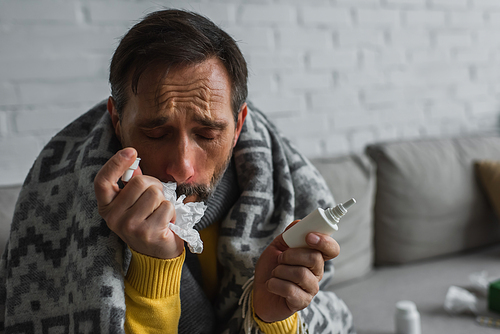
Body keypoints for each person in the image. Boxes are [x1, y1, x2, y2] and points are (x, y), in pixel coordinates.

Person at [0, 9, 354, 334]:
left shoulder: (283, 192)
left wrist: (273, 319)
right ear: (117, 120)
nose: (182, 168)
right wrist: (153, 268)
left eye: (207, 134)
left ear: (239, 126)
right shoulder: (60, 206)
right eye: (156, 134)